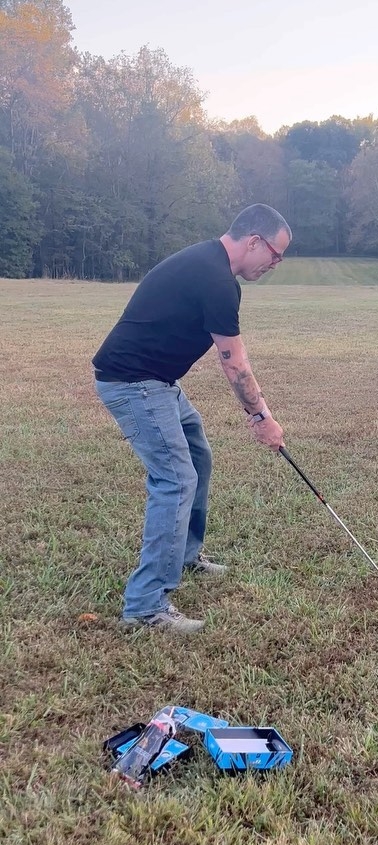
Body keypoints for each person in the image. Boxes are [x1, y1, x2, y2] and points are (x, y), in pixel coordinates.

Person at [93, 203, 291, 634]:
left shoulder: (208, 262)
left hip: (157, 380)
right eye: (275, 255)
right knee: (176, 478)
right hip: (135, 382)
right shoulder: (216, 278)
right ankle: (145, 607)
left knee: (197, 455)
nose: (274, 265)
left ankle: (184, 554)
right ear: (254, 241)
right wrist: (262, 419)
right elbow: (235, 365)